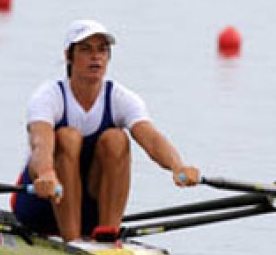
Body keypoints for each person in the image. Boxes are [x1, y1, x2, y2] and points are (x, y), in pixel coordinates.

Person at [11, 19, 200, 242]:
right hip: (42, 205)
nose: (96, 56)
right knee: (67, 137)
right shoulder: (48, 97)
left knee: (117, 139)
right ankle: (72, 242)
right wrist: (45, 174)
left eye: (102, 50)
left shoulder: (121, 98)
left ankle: (107, 237)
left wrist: (178, 166)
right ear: (68, 56)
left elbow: (151, 138)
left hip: (92, 208)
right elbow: (40, 144)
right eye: (86, 50)